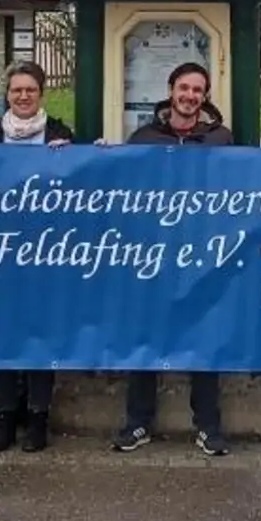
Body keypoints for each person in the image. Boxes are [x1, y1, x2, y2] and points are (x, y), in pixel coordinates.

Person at [106, 62, 232, 457]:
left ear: (205, 97)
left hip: (202, 254)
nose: (189, 96)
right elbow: (122, 185)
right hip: (152, 254)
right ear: (171, 90)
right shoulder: (143, 138)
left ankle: (208, 425)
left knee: (204, 340)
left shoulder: (221, 140)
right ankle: (138, 421)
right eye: (184, 88)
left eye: (197, 90)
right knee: (145, 336)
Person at [0, 61, 73, 453]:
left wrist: (82, 154)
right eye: (17, 90)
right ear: (7, 94)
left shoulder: (60, 134)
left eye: (30, 89)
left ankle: (38, 417)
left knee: (40, 334)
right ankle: (5, 416)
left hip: (45, 253)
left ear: (41, 94)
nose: (23, 96)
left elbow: (82, 182)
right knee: (0, 335)